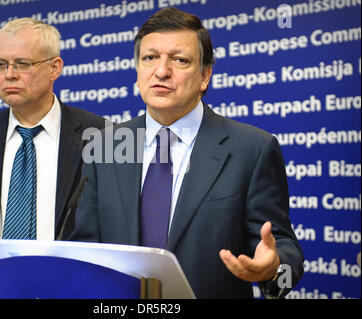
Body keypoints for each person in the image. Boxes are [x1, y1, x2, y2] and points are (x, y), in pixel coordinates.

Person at [70, 7, 304, 298]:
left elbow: (283, 246)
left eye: (179, 60)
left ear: (205, 75)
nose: (162, 71)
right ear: (138, 70)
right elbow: (85, 249)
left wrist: (272, 271)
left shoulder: (252, 148)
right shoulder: (106, 144)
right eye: (150, 58)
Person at [0, 18, 105, 298]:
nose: (9, 75)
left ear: (55, 68)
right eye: (1, 65)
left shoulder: (100, 135)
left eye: (23, 64)